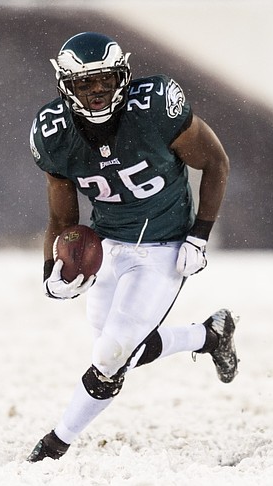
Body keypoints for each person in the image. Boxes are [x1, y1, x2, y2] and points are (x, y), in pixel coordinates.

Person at [27, 32, 236, 462]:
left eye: (105, 80)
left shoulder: (156, 105)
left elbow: (215, 161)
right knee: (122, 349)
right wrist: (51, 270)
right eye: (85, 84)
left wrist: (199, 234)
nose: (98, 92)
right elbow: (63, 221)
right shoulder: (54, 133)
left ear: (123, 75)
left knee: (111, 356)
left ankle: (54, 446)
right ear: (66, 86)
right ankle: (209, 336)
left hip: (164, 241)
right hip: (108, 245)